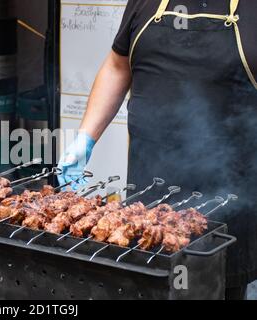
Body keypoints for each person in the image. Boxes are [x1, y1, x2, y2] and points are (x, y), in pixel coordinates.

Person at [58, 0, 257, 299]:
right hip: (150, 195)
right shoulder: (145, 2)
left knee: (215, 290)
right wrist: (84, 138)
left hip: (229, 202)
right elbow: (116, 65)